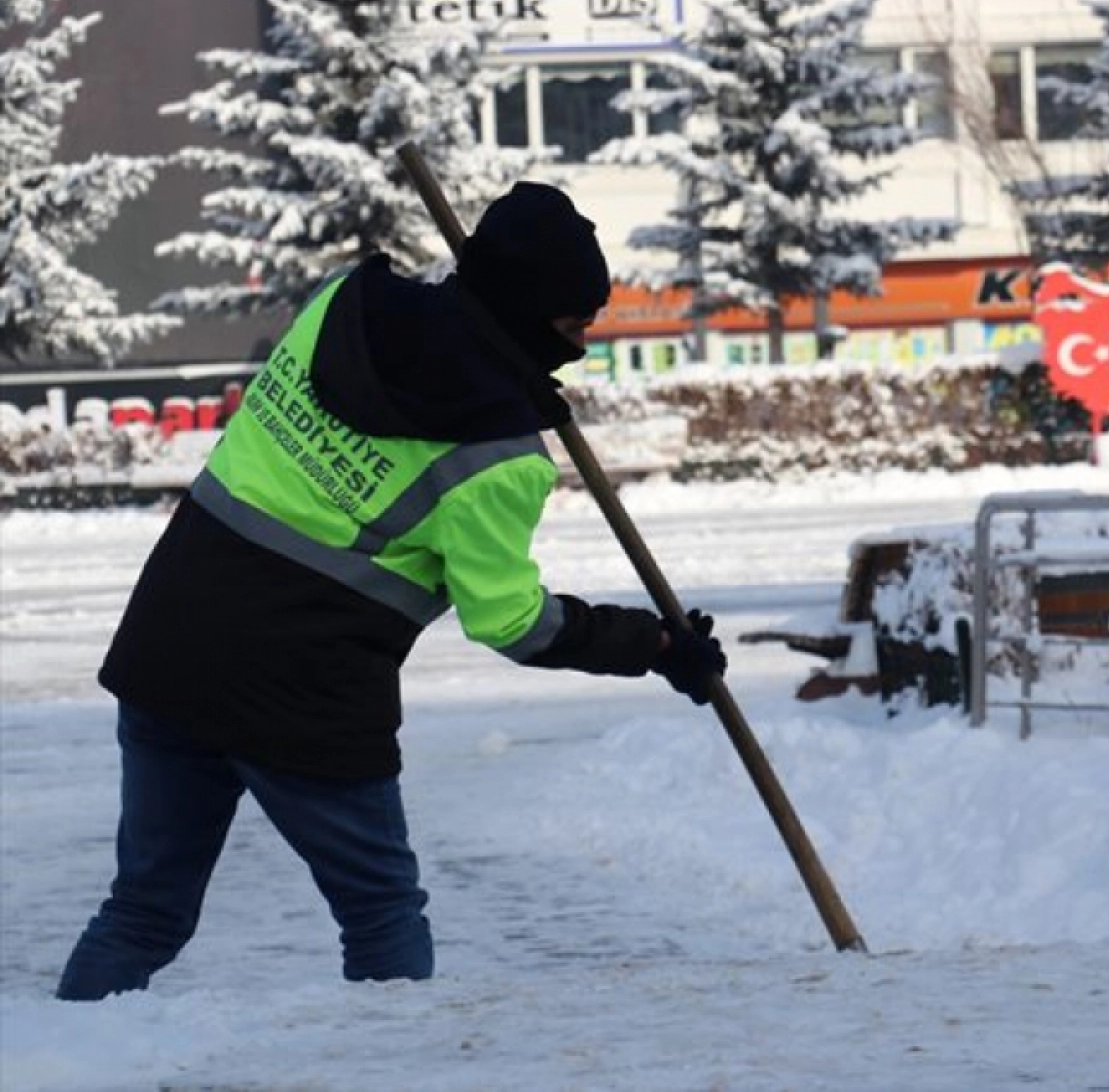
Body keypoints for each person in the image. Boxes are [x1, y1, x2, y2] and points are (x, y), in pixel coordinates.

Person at [56, 182, 727, 1001]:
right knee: (380, 914)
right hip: (303, 695)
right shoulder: (498, 460)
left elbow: (422, 360)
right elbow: (510, 621)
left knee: (144, 912)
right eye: (573, 324)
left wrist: (502, 375)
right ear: (528, 314)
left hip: (171, 642)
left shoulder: (344, 303)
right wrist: (654, 645)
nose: (582, 344)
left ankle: (62, 1061)